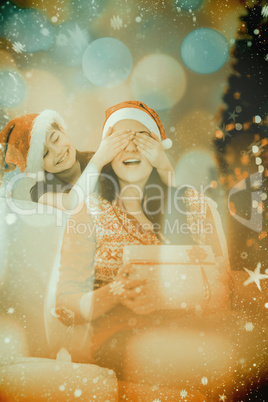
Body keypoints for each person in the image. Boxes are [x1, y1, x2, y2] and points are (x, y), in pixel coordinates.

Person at [55, 101, 232, 399]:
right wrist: (117, 292)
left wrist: (167, 174)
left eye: (142, 137)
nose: (131, 147)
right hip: (123, 342)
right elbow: (66, 303)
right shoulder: (88, 214)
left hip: (196, 333)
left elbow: (223, 286)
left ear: (159, 146)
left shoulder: (193, 204)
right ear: (106, 151)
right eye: (120, 140)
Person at [0, 108, 175, 211]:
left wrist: (161, 161)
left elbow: (160, 190)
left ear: (63, 131)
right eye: (44, 154)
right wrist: (98, 162)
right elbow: (71, 204)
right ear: (37, 165)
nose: (57, 151)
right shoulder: (40, 190)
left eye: (56, 139)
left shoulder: (101, 160)